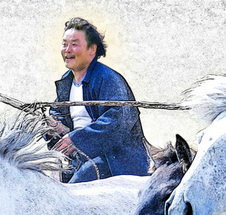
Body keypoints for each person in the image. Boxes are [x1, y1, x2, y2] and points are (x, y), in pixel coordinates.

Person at [47, 18, 151, 183]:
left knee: (75, 192)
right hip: (79, 159)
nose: (67, 50)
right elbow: (57, 113)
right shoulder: (66, 82)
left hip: (113, 161)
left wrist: (77, 139)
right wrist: (54, 126)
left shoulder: (108, 78)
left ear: (92, 50)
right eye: (64, 43)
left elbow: (118, 120)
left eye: (74, 44)